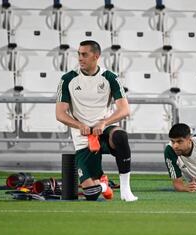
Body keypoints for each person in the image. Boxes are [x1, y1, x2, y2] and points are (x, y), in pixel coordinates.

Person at [56, 40, 137, 201]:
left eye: (84, 54)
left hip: (103, 131)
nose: (80, 58)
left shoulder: (110, 77)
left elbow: (125, 110)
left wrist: (104, 123)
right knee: (91, 194)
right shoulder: (67, 79)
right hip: (83, 139)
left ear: (96, 56)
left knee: (120, 136)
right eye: (79, 54)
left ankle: (126, 190)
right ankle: (104, 184)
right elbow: (60, 114)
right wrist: (79, 125)